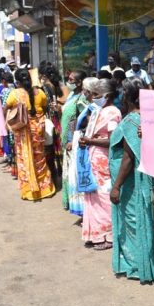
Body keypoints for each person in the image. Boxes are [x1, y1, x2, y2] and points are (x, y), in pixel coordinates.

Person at [109, 79, 154, 282]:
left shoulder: (133, 120)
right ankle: (138, 263)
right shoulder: (142, 119)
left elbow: (128, 158)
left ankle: (139, 266)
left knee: (134, 223)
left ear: (128, 96)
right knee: (135, 221)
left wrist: (116, 187)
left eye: (122, 93)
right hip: (131, 181)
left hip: (130, 183)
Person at [78, 78, 122, 250]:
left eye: (96, 94)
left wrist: (90, 141)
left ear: (108, 95)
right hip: (94, 159)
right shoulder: (99, 110)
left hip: (103, 160)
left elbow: (113, 140)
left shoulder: (112, 112)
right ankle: (94, 233)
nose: (93, 97)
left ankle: (108, 235)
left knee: (103, 197)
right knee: (93, 197)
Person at [4, 68, 56, 201]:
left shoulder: (14, 94)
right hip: (38, 129)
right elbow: (44, 108)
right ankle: (45, 188)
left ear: (17, 81)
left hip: (23, 131)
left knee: (24, 159)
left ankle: (29, 191)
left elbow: (6, 109)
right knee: (39, 158)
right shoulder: (40, 92)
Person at [60, 70, 89, 214]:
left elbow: (80, 120)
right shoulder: (72, 95)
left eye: (71, 80)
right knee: (67, 170)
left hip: (74, 140)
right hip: (65, 137)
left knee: (74, 172)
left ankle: (80, 207)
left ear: (79, 82)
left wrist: (72, 139)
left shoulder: (82, 98)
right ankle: (68, 201)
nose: (68, 81)